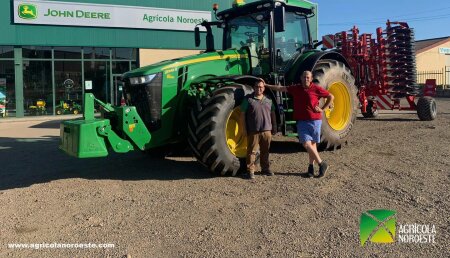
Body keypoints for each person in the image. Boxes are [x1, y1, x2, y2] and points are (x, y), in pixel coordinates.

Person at [264, 71, 334, 178]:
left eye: (308, 77)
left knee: (312, 145)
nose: (306, 79)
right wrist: (266, 85)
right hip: (302, 121)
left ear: (311, 79)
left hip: (315, 120)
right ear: (301, 78)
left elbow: (331, 97)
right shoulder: (296, 88)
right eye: (304, 77)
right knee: (306, 144)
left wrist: (323, 109)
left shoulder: (316, 88)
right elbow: (280, 88)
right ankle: (321, 163)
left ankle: (310, 169)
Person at [240, 80, 277, 180]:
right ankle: (251, 171)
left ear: (264, 88)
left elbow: (272, 113)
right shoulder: (248, 100)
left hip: (266, 130)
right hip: (253, 130)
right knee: (251, 152)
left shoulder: (269, 100)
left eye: (261, 87)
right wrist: (243, 129)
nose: (259, 88)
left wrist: (274, 126)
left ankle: (265, 168)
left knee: (265, 151)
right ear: (254, 88)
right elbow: (242, 114)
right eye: (257, 87)